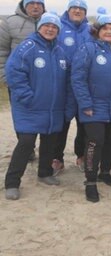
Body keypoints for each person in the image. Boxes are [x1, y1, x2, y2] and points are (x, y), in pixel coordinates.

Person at [4, 12, 73, 200]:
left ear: (58, 30)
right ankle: (12, 182)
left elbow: (67, 82)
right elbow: (14, 73)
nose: (50, 29)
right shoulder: (27, 47)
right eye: (46, 25)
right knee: (26, 143)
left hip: (53, 108)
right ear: (39, 27)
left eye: (54, 27)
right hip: (30, 107)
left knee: (50, 142)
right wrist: (28, 97)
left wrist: (66, 105)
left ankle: (44, 173)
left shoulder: (60, 52)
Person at [71, 7, 111, 202]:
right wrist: (85, 103)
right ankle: (91, 182)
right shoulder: (88, 48)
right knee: (95, 142)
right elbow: (78, 78)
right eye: (105, 28)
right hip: (93, 107)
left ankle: (105, 172)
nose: (109, 31)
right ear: (97, 31)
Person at [52, 0, 92, 175]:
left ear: (85, 12)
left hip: (84, 84)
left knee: (83, 124)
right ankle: (57, 158)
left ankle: (81, 156)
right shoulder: (58, 27)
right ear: (68, 10)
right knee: (61, 123)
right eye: (74, 8)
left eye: (81, 8)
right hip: (62, 85)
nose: (77, 11)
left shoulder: (91, 30)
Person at [0, 0, 45, 85]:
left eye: (39, 4)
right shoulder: (9, 23)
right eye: (31, 3)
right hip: (16, 77)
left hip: (43, 78)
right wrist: (5, 77)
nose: (36, 6)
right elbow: (2, 51)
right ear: (24, 5)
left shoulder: (51, 24)